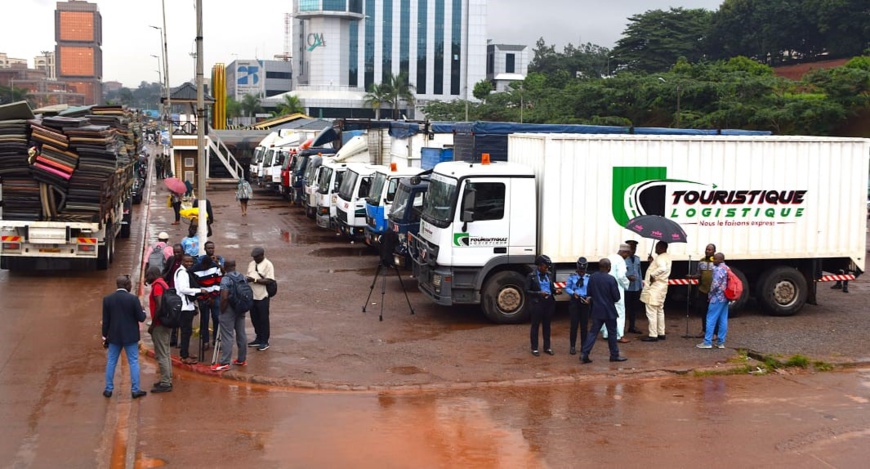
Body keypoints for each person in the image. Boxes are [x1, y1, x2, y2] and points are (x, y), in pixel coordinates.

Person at [102, 275, 147, 399]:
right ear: (127, 285)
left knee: (111, 361)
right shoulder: (133, 299)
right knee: (133, 362)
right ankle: (135, 390)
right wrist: (143, 311)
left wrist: (105, 337)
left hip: (114, 336)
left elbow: (106, 321)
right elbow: (141, 318)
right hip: (130, 336)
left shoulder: (108, 299)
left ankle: (108, 389)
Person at [580, 258, 627, 363]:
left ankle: (584, 353)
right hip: (609, 311)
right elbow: (616, 297)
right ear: (609, 267)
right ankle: (614, 355)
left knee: (592, 333)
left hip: (596, 310)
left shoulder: (592, 277)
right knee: (612, 333)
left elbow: (589, 293)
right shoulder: (611, 279)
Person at [211, 260, 249, 371]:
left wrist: (222, 311)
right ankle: (241, 359)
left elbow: (224, 297)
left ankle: (224, 362)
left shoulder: (225, 279)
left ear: (225, 266)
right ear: (235, 266)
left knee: (227, 336)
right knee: (241, 333)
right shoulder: (242, 276)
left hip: (229, 309)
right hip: (241, 308)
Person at [175, 254, 207, 364]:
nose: (189, 264)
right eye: (186, 262)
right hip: (184, 307)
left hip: (188, 306)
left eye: (191, 262)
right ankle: (184, 356)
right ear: (182, 261)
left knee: (187, 331)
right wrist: (199, 291)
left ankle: (186, 353)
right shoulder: (182, 273)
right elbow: (183, 289)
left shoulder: (184, 272)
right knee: (186, 331)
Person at [525, 255, 560, 356]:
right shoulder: (531, 276)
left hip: (548, 302)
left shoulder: (549, 274)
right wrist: (539, 293)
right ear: (540, 266)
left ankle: (547, 347)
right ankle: (534, 348)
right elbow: (527, 290)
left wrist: (555, 291)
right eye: (545, 266)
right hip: (537, 303)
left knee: (547, 325)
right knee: (535, 325)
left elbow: (551, 287)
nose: (547, 269)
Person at [145, 267, 172, 393]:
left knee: (161, 354)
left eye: (147, 275)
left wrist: (153, 325)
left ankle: (166, 383)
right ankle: (166, 379)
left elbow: (159, 306)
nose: (146, 278)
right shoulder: (163, 283)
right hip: (165, 323)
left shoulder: (157, 286)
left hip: (160, 325)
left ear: (153, 274)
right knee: (165, 353)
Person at [193, 241, 224, 351]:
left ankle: (216, 340)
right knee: (204, 319)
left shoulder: (216, 266)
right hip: (203, 298)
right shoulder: (197, 267)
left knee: (216, 318)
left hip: (214, 297)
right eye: (208, 248)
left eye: (212, 248)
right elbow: (195, 282)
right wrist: (202, 296)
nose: (211, 250)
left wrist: (212, 296)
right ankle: (205, 341)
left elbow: (218, 282)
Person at [641, 241, 673, 342]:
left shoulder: (660, 258)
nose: (655, 249)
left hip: (654, 288)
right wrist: (652, 262)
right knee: (659, 310)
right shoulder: (667, 257)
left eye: (657, 247)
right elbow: (663, 267)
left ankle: (653, 334)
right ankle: (661, 332)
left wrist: (652, 275)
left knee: (651, 311)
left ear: (660, 247)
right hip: (662, 287)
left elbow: (662, 268)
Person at [698, 253, 729, 349]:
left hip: (717, 298)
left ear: (720, 260)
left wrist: (710, 294)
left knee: (710, 319)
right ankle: (721, 342)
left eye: (715, 259)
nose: (713, 260)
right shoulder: (727, 268)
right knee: (723, 319)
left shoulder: (718, 270)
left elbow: (715, 285)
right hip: (725, 298)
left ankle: (707, 342)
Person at [246, 247, 275, 351]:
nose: (255, 259)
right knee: (254, 319)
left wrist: (254, 280)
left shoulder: (268, 264)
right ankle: (258, 338)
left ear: (262, 255)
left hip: (262, 296)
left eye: (256, 257)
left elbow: (269, 280)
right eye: (253, 257)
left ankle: (264, 341)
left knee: (263, 319)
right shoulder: (251, 264)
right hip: (252, 297)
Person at [602, 244, 631, 343]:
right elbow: (621, 276)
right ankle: (619, 335)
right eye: (627, 254)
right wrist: (628, 283)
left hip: (606, 288)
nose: (627, 257)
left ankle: (606, 333)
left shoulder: (610, 257)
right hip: (617, 289)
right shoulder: (620, 260)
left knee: (608, 311)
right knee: (619, 312)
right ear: (624, 252)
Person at [688, 243, 717, 335]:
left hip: (714, 291)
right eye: (706, 249)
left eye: (710, 250)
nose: (707, 251)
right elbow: (699, 274)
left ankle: (715, 333)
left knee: (713, 312)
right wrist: (692, 276)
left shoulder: (716, 262)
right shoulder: (701, 261)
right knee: (704, 311)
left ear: (714, 251)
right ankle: (704, 330)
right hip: (703, 290)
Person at [565, 257, 591, 355]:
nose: (581, 273)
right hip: (575, 302)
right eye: (580, 271)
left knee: (584, 326)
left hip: (585, 302)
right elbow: (567, 288)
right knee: (574, 325)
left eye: (583, 271)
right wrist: (573, 293)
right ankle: (572, 346)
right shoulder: (572, 277)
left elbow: (591, 290)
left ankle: (583, 346)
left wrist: (589, 297)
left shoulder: (589, 278)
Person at [624, 240, 644, 334]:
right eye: (631, 248)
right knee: (624, 308)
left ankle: (632, 326)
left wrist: (640, 287)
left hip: (635, 287)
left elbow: (639, 273)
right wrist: (628, 277)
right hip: (626, 288)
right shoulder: (623, 259)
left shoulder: (637, 259)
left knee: (634, 308)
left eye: (634, 248)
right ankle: (622, 327)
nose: (633, 250)